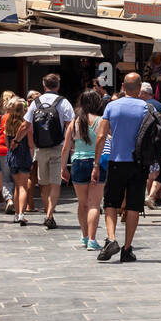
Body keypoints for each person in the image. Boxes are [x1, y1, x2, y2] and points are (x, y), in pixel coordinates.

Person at [94, 73, 151, 262]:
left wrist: (96, 164)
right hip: (138, 163)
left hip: (116, 161)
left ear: (123, 87)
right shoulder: (146, 108)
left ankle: (111, 238)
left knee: (111, 202)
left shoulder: (111, 106)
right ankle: (127, 248)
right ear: (140, 87)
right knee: (134, 205)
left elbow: (101, 136)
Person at [25, 74, 75, 230]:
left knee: (43, 184)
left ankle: (48, 212)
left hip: (40, 149)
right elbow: (70, 126)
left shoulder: (35, 103)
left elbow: (25, 125)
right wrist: (73, 145)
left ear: (43, 84)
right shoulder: (64, 102)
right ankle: (49, 215)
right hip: (58, 147)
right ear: (58, 85)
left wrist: (15, 141)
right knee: (55, 183)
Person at [62, 89, 105, 250]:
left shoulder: (74, 123)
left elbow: (65, 148)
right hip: (96, 163)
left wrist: (63, 168)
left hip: (78, 162)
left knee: (82, 203)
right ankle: (93, 240)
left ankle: (85, 236)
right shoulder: (101, 121)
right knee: (94, 204)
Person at [0, 97, 33, 226]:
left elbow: (7, 144)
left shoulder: (8, 123)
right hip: (24, 156)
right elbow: (30, 143)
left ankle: (16, 214)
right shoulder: (26, 125)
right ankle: (21, 215)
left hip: (12, 156)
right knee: (23, 186)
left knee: (17, 186)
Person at [0, 91, 17, 213]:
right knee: (17, 179)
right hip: (15, 151)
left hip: (1, 150)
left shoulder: (0, 118)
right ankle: (19, 205)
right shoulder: (18, 118)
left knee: (5, 179)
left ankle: (9, 200)